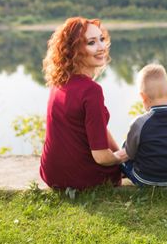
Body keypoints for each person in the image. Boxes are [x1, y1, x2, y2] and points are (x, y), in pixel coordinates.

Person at [40, 17, 128, 190]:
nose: (102, 47)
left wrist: (119, 157)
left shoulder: (59, 82)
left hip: (51, 174)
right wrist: (125, 155)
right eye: (91, 42)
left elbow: (97, 129)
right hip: (82, 179)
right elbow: (102, 157)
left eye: (102, 39)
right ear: (74, 50)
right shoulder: (91, 90)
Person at [120, 64, 167, 187]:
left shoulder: (139, 122)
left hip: (146, 180)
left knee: (125, 146)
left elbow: (130, 154)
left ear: (143, 97)